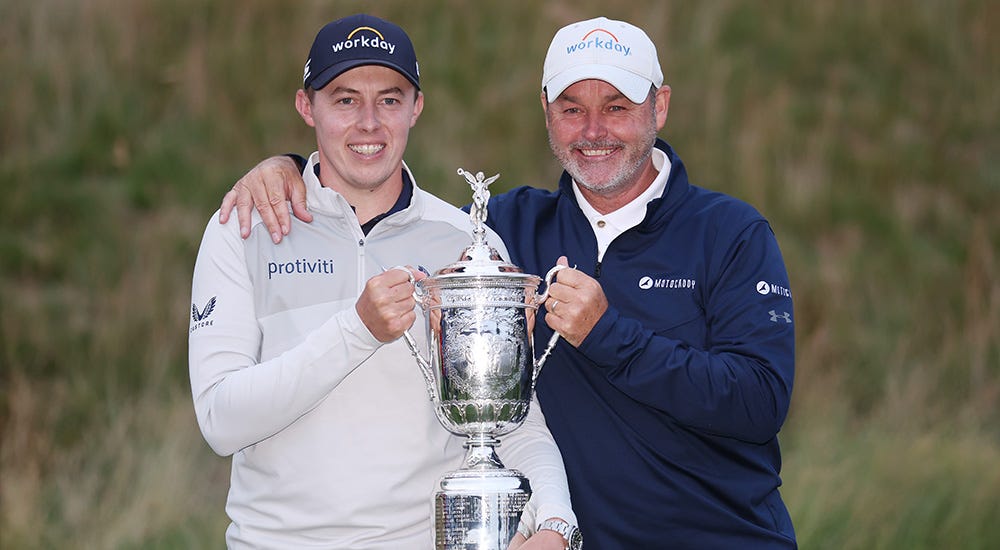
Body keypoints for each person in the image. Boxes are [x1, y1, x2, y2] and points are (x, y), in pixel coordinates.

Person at [222, 15, 798, 549]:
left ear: (660, 107)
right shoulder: (503, 230)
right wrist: (287, 169)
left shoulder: (731, 233)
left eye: (618, 107)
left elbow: (759, 403)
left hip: (723, 536)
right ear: (546, 109)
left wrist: (609, 335)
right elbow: (373, 184)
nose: (594, 131)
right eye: (572, 109)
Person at [189, 14, 578, 549]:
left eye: (390, 100)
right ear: (308, 107)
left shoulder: (464, 244)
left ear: (416, 108)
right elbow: (220, 420)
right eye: (345, 100)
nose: (369, 123)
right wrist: (358, 330)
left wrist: (557, 521)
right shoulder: (244, 228)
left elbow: (512, 421)